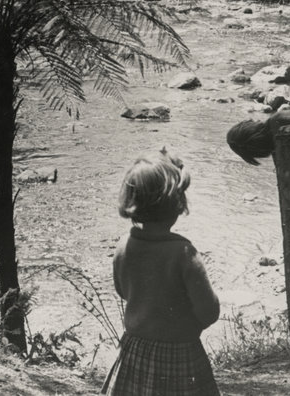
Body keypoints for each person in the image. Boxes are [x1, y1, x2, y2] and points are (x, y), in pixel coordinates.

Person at [101, 149, 221, 396]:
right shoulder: (184, 253)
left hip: (134, 352)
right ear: (177, 204)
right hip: (180, 354)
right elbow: (209, 312)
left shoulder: (124, 245)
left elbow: (123, 291)